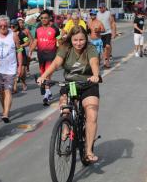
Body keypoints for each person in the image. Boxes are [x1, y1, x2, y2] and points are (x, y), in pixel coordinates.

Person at [37, 26, 100, 162]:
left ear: (86, 39)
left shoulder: (90, 48)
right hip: (71, 84)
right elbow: (55, 64)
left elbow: (94, 62)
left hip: (88, 84)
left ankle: (88, 151)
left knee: (92, 114)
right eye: (75, 40)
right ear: (71, 39)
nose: (79, 43)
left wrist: (95, 75)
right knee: (65, 107)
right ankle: (65, 126)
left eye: (81, 40)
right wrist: (44, 76)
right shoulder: (65, 48)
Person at [0, 15, 23, 123]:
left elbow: (19, 51)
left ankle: (5, 113)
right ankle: (5, 109)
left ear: (8, 25)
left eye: (5, 25)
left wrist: (20, 66)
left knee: (8, 91)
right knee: (1, 92)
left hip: (10, 69)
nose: (3, 27)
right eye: (0, 25)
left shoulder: (14, 35)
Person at [29, 10, 60, 106]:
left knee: (47, 72)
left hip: (51, 54)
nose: (43, 20)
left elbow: (59, 41)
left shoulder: (55, 28)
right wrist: (30, 50)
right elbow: (35, 40)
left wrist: (61, 53)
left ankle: (46, 94)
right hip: (41, 55)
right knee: (43, 73)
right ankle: (48, 91)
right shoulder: (38, 27)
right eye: (42, 18)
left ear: (49, 18)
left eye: (45, 18)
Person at [97, 3, 116, 68]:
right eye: (100, 7)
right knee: (103, 48)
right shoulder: (97, 14)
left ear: (105, 7)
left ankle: (107, 60)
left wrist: (114, 33)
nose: (101, 9)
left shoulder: (108, 13)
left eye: (102, 7)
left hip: (108, 32)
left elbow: (113, 23)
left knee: (107, 46)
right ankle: (105, 60)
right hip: (100, 33)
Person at [17, 17, 33, 86]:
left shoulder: (26, 31)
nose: (20, 24)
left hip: (25, 48)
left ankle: (27, 69)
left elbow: (30, 39)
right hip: (17, 50)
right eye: (19, 23)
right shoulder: (14, 31)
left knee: (27, 60)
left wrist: (30, 49)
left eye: (22, 23)